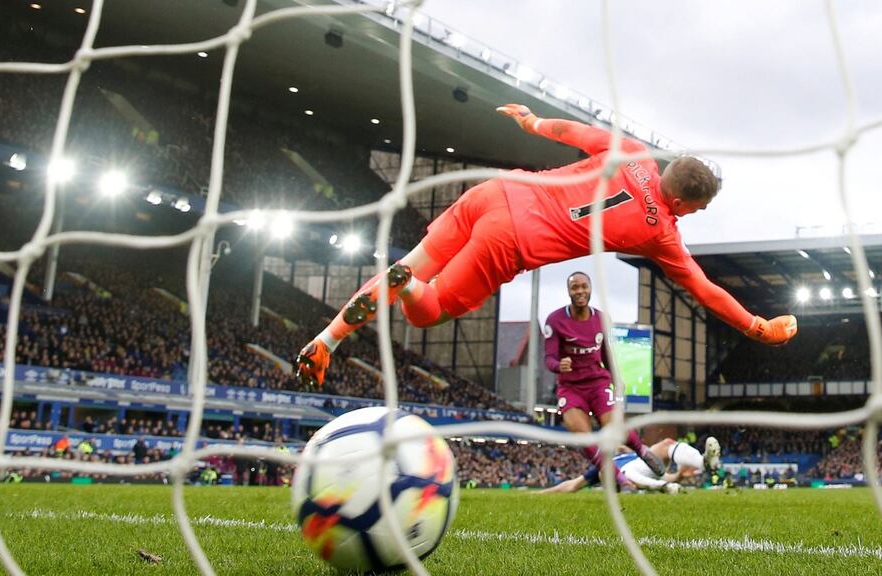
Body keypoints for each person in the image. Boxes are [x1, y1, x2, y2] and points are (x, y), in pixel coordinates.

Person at [295, 103, 798, 388]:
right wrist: (755, 326)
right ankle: (409, 290)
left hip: (498, 191)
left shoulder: (633, 151)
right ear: (687, 203)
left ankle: (328, 339)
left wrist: (532, 123)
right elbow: (705, 290)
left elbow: (572, 130)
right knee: (429, 311)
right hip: (511, 240)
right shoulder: (661, 232)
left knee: (411, 262)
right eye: (698, 210)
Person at [544, 271, 666, 481]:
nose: (580, 291)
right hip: (571, 388)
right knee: (584, 436)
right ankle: (620, 479)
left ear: (590, 289)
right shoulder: (555, 320)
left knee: (615, 429)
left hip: (597, 384)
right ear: (569, 291)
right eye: (575, 287)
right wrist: (558, 365)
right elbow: (549, 358)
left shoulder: (601, 318)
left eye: (584, 286)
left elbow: (606, 354)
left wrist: (617, 378)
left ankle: (641, 451)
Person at [540, 435, 717, 494]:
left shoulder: (633, 454)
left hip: (645, 470)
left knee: (666, 443)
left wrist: (677, 476)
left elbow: (662, 472)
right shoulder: (605, 464)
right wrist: (542, 493)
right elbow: (572, 485)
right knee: (621, 473)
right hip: (626, 476)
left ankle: (704, 462)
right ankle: (664, 487)